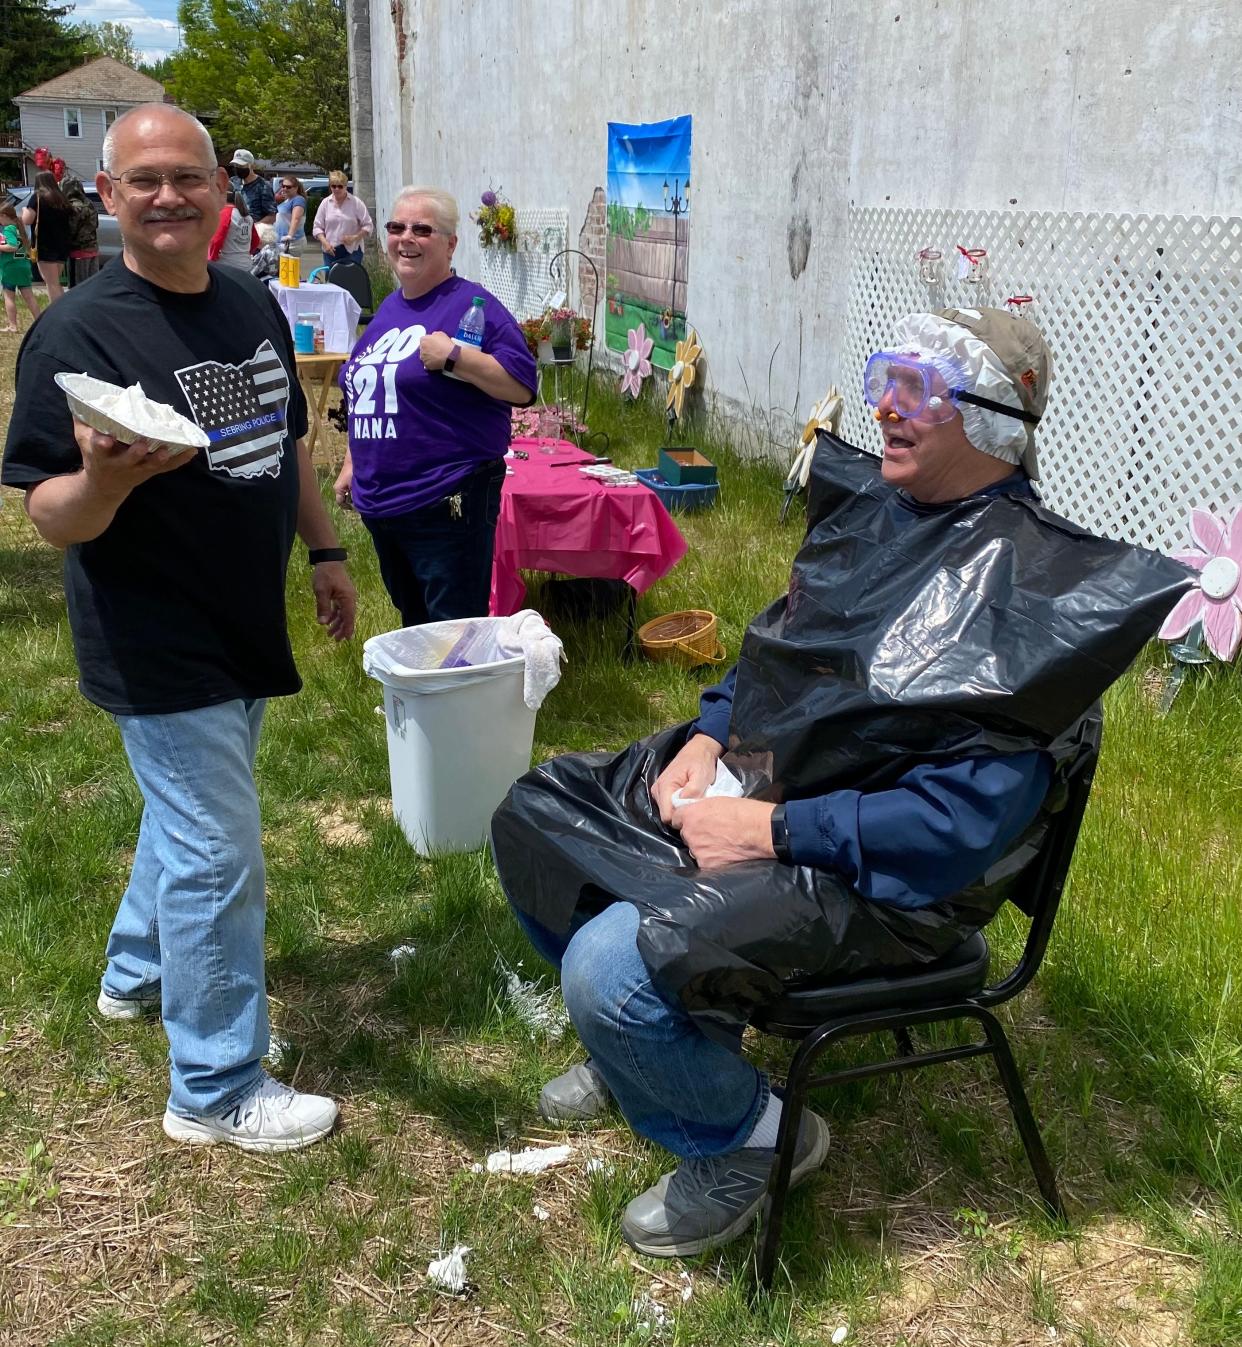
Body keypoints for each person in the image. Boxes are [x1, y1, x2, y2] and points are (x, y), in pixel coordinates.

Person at [490, 307, 1191, 1259]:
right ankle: (660, 1049)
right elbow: (782, 652)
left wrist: (772, 834)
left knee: (608, 969)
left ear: (988, 420)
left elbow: (960, 826)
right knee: (537, 814)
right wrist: (710, 732)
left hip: (887, 881)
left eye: (918, 389)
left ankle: (753, 1138)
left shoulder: (1035, 598)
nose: (887, 408)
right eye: (884, 380)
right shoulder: (872, 513)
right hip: (765, 791)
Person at [2, 102, 358, 1153]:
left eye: (187, 177)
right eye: (143, 180)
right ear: (106, 198)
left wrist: (328, 553)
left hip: (243, 615)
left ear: (219, 193)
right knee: (216, 852)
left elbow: (285, 438)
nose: (168, 196)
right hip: (154, 629)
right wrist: (103, 483)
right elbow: (46, 514)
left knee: (187, 821)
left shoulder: (248, 300)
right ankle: (213, 1088)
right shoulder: (76, 332)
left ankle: (134, 973)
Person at [333, 187, 537, 625]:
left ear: (450, 244)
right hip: (383, 505)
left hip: (445, 498)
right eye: (396, 227)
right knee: (416, 626)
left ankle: (458, 695)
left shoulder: (471, 304)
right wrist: (352, 461)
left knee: (453, 633)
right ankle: (423, 695)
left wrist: (456, 357)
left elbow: (521, 386)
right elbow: (365, 391)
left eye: (422, 229)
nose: (406, 237)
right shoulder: (389, 310)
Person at [20, 170, 73, 303]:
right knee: (55, 282)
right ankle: (63, 308)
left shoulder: (37, 197)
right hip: (62, 245)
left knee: (51, 283)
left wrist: (24, 210)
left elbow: (27, 220)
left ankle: (56, 313)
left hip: (45, 245)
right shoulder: (62, 198)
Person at [311, 171, 373, 271]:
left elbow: (368, 225)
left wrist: (354, 237)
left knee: (349, 283)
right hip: (330, 250)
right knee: (331, 283)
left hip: (352, 250)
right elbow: (317, 227)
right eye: (333, 186)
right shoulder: (325, 203)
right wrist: (324, 243)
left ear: (345, 186)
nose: (336, 189)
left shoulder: (356, 203)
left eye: (340, 186)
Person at [0, 199, 40, 331]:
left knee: (9, 297)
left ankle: (13, 325)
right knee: (29, 297)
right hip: (23, 265)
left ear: (4, 216)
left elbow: (12, 245)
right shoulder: (19, 227)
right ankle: (39, 322)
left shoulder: (8, 229)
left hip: (10, 267)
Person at [61, 176, 100, 288]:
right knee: (93, 285)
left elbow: (71, 230)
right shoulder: (89, 203)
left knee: (78, 287)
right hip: (93, 248)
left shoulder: (72, 206)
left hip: (78, 251)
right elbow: (96, 224)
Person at [208, 188, 259, 269]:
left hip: (229, 266)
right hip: (246, 264)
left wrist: (211, 259)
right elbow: (256, 241)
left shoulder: (224, 213)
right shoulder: (247, 216)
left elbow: (216, 240)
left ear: (222, 196)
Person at [229, 149, 277, 224]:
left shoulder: (263, 186)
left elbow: (271, 216)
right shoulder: (233, 182)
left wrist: (254, 228)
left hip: (254, 230)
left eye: (241, 165)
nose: (237, 168)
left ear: (251, 165)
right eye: (235, 165)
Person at [274, 175, 306, 254]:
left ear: (296, 188)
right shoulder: (286, 200)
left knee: (289, 266)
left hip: (292, 243)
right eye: (283, 186)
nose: (285, 188)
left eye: (288, 187)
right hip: (282, 242)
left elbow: (296, 219)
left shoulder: (298, 199)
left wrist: (290, 236)